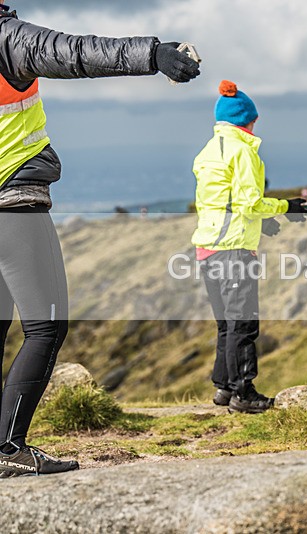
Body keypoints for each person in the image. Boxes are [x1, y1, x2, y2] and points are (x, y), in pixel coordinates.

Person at [0, 1, 199, 478]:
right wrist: (153, 54)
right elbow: (73, 53)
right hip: (13, 199)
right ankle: (8, 449)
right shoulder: (8, 37)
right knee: (47, 326)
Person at [193, 81, 307, 414]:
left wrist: (264, 222)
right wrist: (286, 207)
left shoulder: (208, 151)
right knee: (243, 323)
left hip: (207, 247)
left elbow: (223, 201)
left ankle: (223, 386)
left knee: (226, 323)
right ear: (246, 120)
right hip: (234, 249)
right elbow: (248, 203)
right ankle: (243, 394)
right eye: (254, 120)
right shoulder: (243, 150)